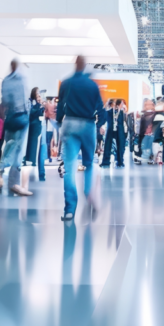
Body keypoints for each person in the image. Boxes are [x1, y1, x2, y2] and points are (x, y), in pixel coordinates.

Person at [57, 56, 105, 220]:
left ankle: (70, 209)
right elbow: (100, 108)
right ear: (84, 66)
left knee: (69, 168)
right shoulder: (92, 85)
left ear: (75, 65)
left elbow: (60, 106)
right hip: (88, 125)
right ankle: (88, 194)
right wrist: (101, 124)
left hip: (70, 123)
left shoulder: (66, 83)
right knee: (89, 164)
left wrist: (59, 121)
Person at [0, 59, 32, 196]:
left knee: (9, 147)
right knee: (18, 151)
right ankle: (11, 182)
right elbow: (25, 101)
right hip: (21, 118)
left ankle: (1, 175)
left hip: (9, 119)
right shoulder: (22, 79)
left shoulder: (5, 81)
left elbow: (4, 101)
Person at [24, 87, 47, 181]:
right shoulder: (31, 103)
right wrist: (39, 105)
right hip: (35, 130)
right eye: (37, 94)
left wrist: (42, 106)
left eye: (39, 94)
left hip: (41, 129)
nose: (39, 96)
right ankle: (39, 173)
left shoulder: (40, 104)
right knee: (36, 151)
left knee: (42, 151)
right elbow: (31, 113)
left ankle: (42, 174)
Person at [101, 98, 128, 168]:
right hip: (110, 129)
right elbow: (104, 118)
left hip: (120, 130)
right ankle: (105, 162)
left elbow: (125, 122)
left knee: (120, 146)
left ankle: (120, 161)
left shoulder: (123, 112)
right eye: (121, 104)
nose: (123, 105)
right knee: (107, 145)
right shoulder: (109, 111)